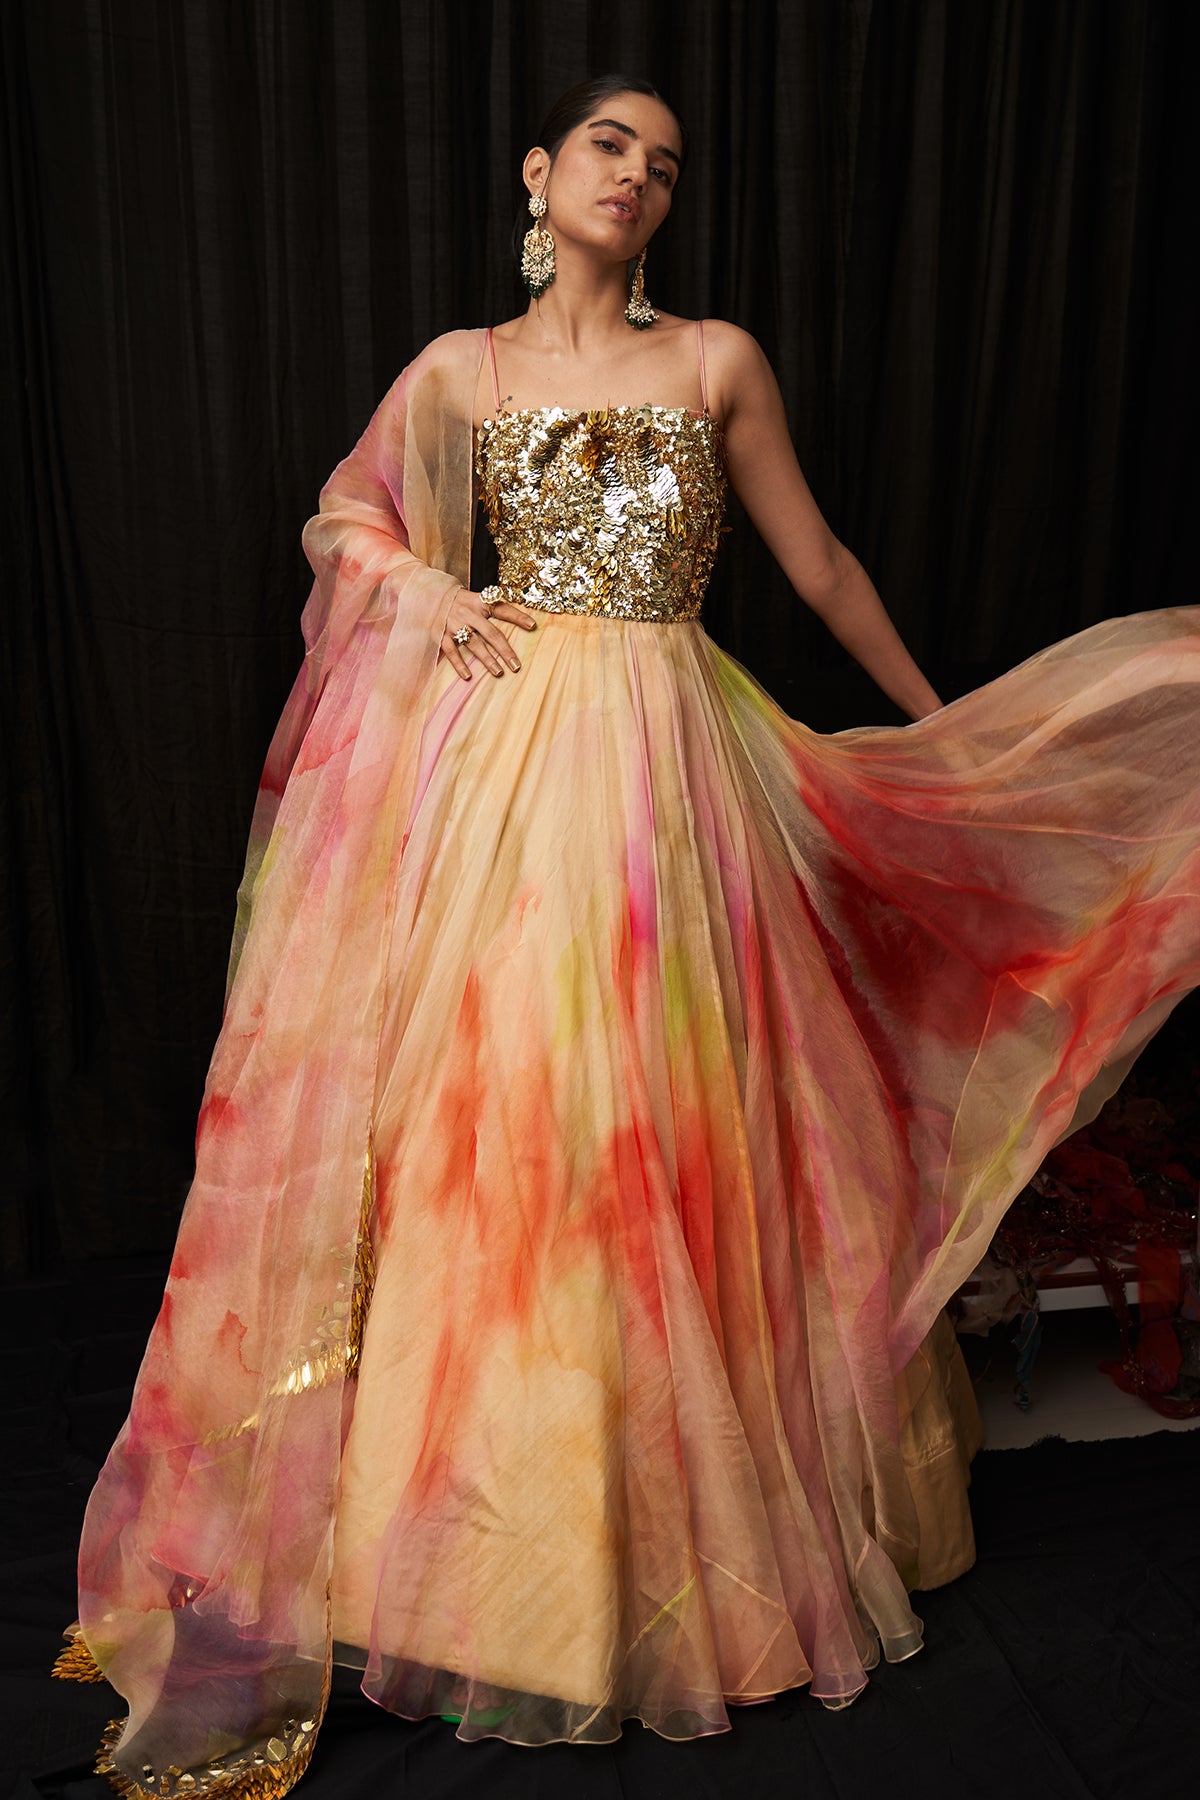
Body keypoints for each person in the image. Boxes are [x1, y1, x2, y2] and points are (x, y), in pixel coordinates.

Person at [53, 74, 1200, 1793]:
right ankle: (479, 1570)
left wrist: (950, 730)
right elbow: (342, 514)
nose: (638, 176)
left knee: (671, 1131)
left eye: (665, 164)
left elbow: (820, 564)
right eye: (610, 145)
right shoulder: (460, 370)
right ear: (540, 172)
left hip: (675, 772)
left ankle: (674, 1555)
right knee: (505, 1128)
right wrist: (421, 587)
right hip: (507, 777)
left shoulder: (716, 360)